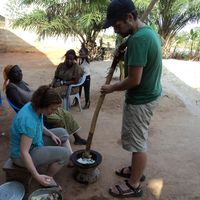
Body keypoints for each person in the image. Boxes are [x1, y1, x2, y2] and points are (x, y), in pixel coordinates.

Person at [101, 0, 162, 198]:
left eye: (117, 26)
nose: (116, 31)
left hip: (141, 99)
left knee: (137, 143)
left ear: (129, 17)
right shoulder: (146, 32)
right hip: (149, 94)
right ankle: (136, 170)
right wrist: (123, 50)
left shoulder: (138, 39)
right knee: (137, 140)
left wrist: (111, 88)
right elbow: (135, 45)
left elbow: (134, 80)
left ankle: (134, 184)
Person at [3, 64, 86, 145]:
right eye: (16, 72)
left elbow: (34, 93)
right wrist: (40, 107)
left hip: (43, 105)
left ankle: (77, 138)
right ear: (9, 75)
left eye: (20, 71)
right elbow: (20, 106)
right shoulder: (11, 88)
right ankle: (59, 139)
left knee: (66, 113)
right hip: (38, 110)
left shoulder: (21, 82)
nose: (19, 73)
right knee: (58, 119)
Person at [10, 85, 73, 187]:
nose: (54, 111)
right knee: (65, 154)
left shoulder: (34, 107)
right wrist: (37, 176)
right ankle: (46, 180)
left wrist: (51, 134)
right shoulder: (28, 121)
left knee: (63, 133)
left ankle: (71, 160)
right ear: (44, 105)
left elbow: (39, 125)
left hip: (34, 142)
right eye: (52, 109)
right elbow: (24, 152)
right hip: (22, 156)